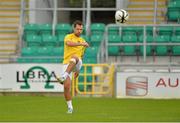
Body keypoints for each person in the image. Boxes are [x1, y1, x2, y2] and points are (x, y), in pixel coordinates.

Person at [56, 20, 89, 114]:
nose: (79, 31)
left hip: (77, 62)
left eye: (81, 29)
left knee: (75, 57)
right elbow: (69, 44)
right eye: (78, 29)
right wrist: (81, 44)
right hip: (67, 63)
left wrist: (78, 69)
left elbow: (81, 55)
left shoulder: (82, 40)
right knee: (66, 87)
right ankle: (70, 107)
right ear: (74, 28)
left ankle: (63, 76)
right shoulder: (68, 36)